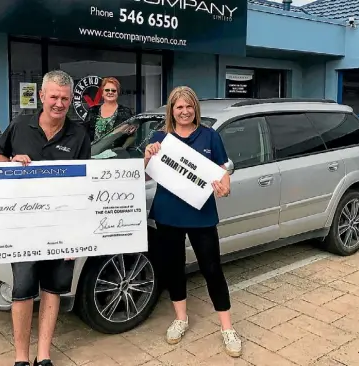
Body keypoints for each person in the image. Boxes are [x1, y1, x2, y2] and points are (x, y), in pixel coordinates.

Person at [0, 70, 91, 366]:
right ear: (42, 96)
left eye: (64, 98)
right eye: (54, 97)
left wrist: (77, 238)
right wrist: (10, 161)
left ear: (71, 99)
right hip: (23, 226)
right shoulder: (21, 124)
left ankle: (43, 354)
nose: (59, 103)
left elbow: (84, 187)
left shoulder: (79, 134)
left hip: (61, 228)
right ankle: (21, 358)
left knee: (52, 289)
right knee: (21, 291)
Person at [143, 86, 242, 357]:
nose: (184, 111)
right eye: (179, 107)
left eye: (189, 106)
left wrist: (225, 187)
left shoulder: (210, 136)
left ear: (195, 108)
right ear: (171, 110)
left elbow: (223, 171)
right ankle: (180, 319)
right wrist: (148, 155)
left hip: (201, 215)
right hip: (168, 215)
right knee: (174, 269)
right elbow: (146, 173)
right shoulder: (160, 138)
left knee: (212, 269)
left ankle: (227, 328)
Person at [83, 77, 133, 141]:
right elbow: (84, 134)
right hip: (93, 150)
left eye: (113, 90)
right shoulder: (92, 111)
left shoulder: (126, 112)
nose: (110, 92)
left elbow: (130, 136)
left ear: (118, 93)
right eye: (107, 90)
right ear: (102, 93)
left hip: (116, 150)